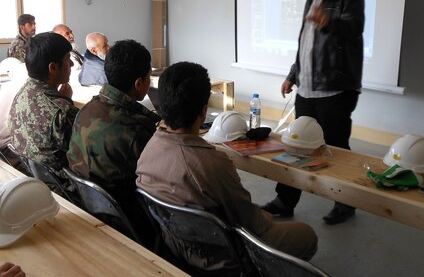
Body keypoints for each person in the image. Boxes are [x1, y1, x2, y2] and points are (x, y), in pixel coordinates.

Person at [136, 62, 317, 271]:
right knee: (307, 235)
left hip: (176, 244)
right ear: (203, 111)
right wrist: (265, 216)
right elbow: (251, 223)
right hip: (222, 258)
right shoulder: (212, 163)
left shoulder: (149, 147)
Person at [261, 0, 364, 225]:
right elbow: (304, 46)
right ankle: (285, 201)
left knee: (335, 148)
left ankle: (345, 203)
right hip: (306, 89)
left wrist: (329, 20)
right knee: (297, 145)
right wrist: (293, 74)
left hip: (335, 90)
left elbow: (354, 27)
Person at [68, 39, 159, 202]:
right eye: (149, 77)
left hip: (85, 200)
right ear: (138, 83)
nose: (149, 81)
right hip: (125, 216)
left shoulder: (86, 109)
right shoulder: (136, 129)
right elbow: (156, 182)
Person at [9, 32, 78, 173]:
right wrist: (65, 103)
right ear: (53, 68)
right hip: (64, 188)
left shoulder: (22, 94)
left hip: (34, 175)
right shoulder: (63, 111)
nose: (71, 64)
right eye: (67, 59)